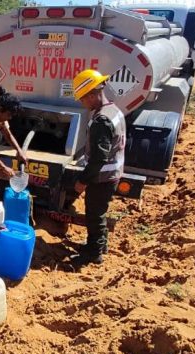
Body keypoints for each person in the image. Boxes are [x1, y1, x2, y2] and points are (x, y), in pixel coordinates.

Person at [70, 69, 126, 267]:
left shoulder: (101, 121)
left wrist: (83, 180)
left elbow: (99, 158)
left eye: (83, 99)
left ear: (93, 95)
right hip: (111, 174)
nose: (82, 103)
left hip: (103, 177)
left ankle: (93, 254)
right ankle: (99, 245)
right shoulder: (114, 110)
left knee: (95, 215)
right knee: (98, 212)